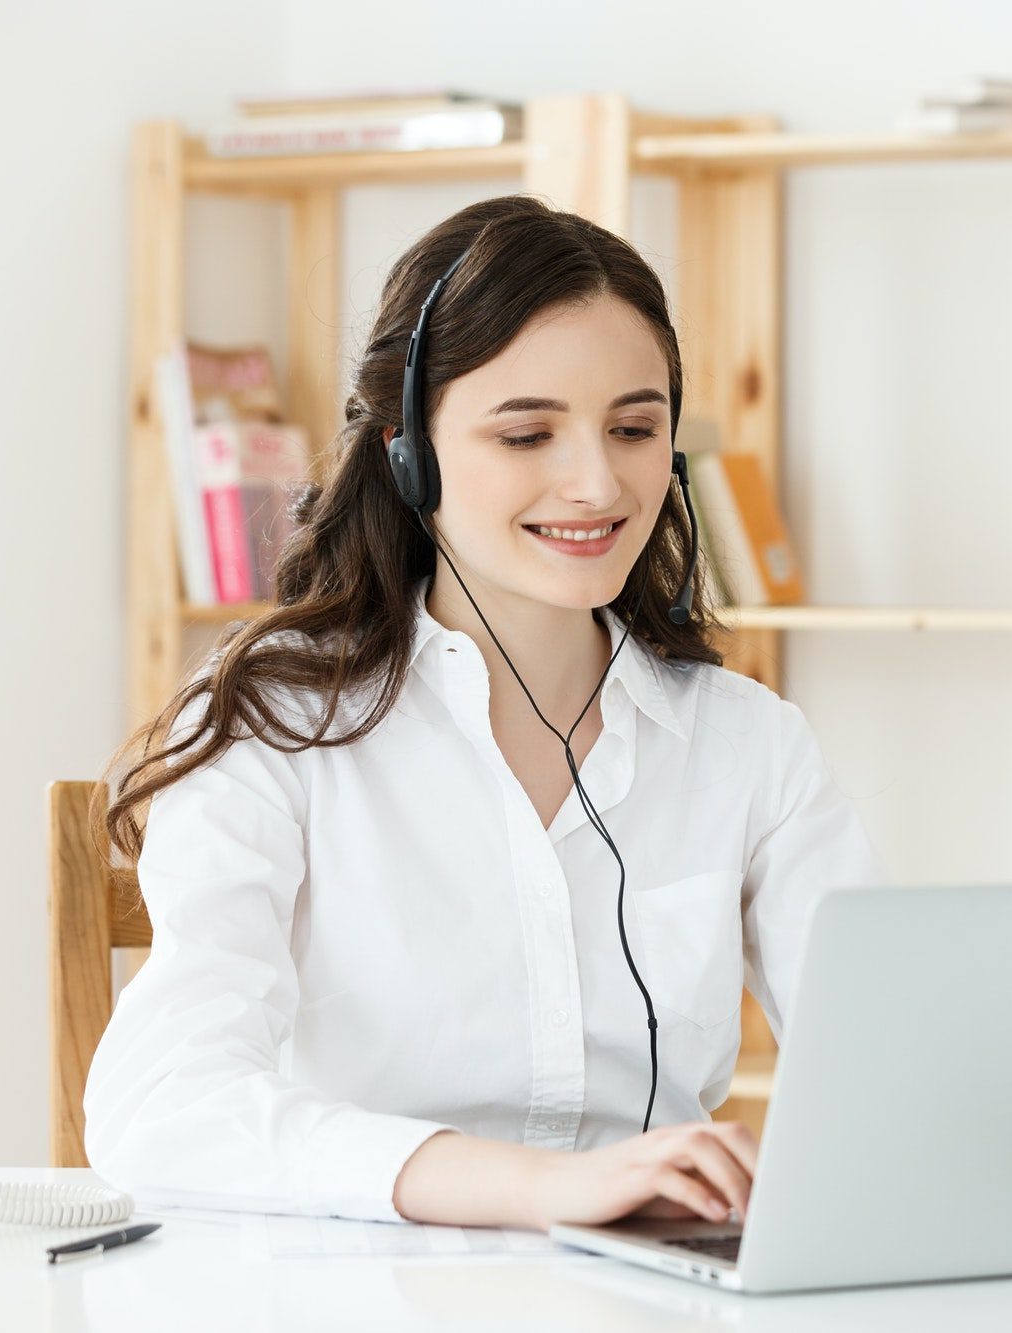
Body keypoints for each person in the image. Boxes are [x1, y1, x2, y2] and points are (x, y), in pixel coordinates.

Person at [85, 194, 883, 1233]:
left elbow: (891, 1065)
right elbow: (161, 1106)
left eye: (634, 428)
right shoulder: (281, 722)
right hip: (354, 1284)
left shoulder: (748, 742)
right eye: (527, 433)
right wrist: (543, 1187)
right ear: (406, 451)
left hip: (651, 1290)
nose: (596, 483)